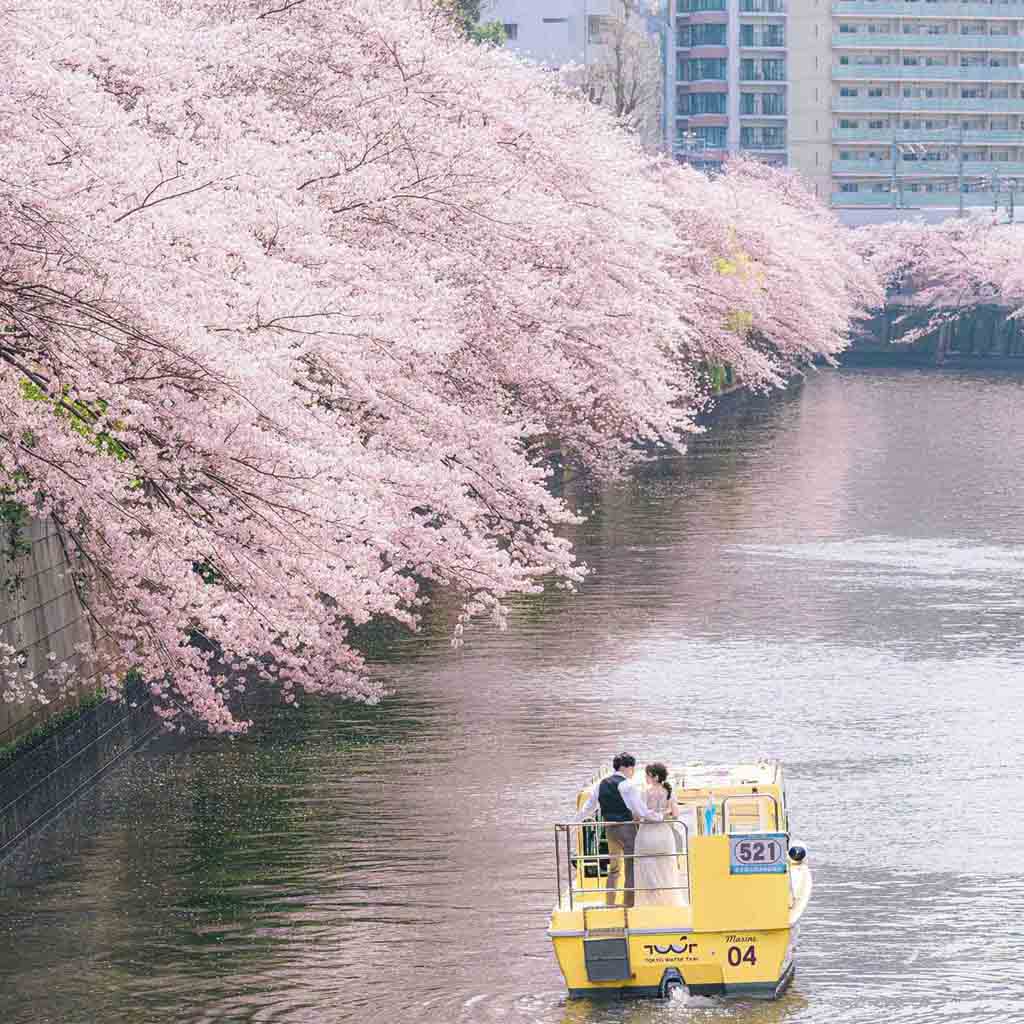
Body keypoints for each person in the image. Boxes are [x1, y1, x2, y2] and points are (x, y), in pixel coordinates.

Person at [577, 753, 663, 907]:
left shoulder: (600, 784)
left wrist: (573, 822)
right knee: (631, 867)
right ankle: (628, 904)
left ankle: (609, 904)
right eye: (632, 768)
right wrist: (660, 817)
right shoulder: (627, 785)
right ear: (626, 767)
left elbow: (588, 807)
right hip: (626, 828)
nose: (633, 772)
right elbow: (641, 810)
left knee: (614, 869)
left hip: (609, 829)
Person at [633, 762, 688, 907]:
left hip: (646, 834)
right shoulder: (669, 791)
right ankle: (668, 901)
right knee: (666, 867)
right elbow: (675, 814)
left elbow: (638, 816)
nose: (645, 777)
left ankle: (650, 902)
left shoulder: (644, 792)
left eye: (647, 774)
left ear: (654, 776)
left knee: (646, 867)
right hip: (664, 834)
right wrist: (664, 813)